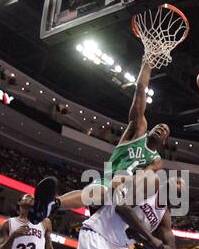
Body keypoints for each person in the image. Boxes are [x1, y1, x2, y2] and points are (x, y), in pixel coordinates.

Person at [28, 60, 170, 224]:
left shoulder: (156, 160)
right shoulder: (137, 131)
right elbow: (140, 90)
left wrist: (125, 183)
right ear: (150, 129)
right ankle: (52, 206)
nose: (161, 128)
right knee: (97, 191)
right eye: (159, 126)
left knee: (123, 188)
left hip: (129, 194)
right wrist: (148, 63)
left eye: (165, 130)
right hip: (108, 183)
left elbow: (145, 177)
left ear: (165, 142)